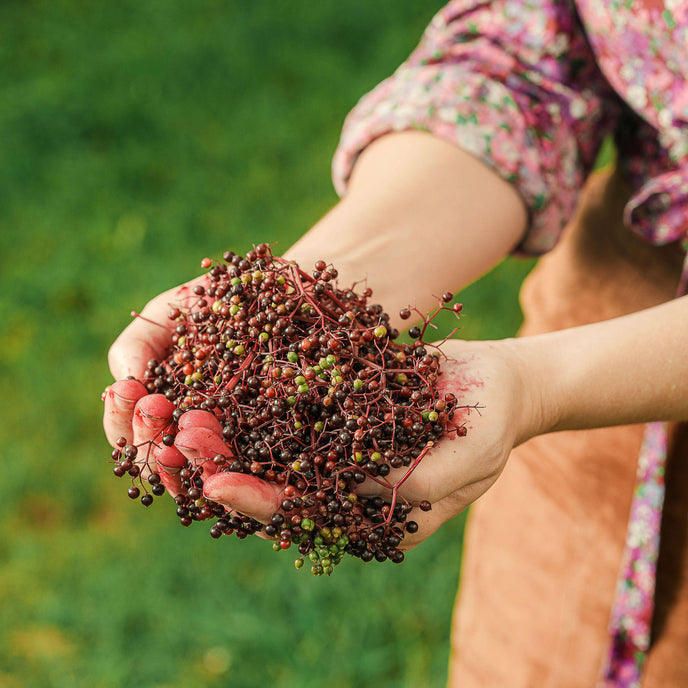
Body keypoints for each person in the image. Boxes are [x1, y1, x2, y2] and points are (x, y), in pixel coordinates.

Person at [103, 1, 688, 686]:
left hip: (575, 375)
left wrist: (540, 385)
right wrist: (323, 285)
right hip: (602, 351)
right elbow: (528, 56)